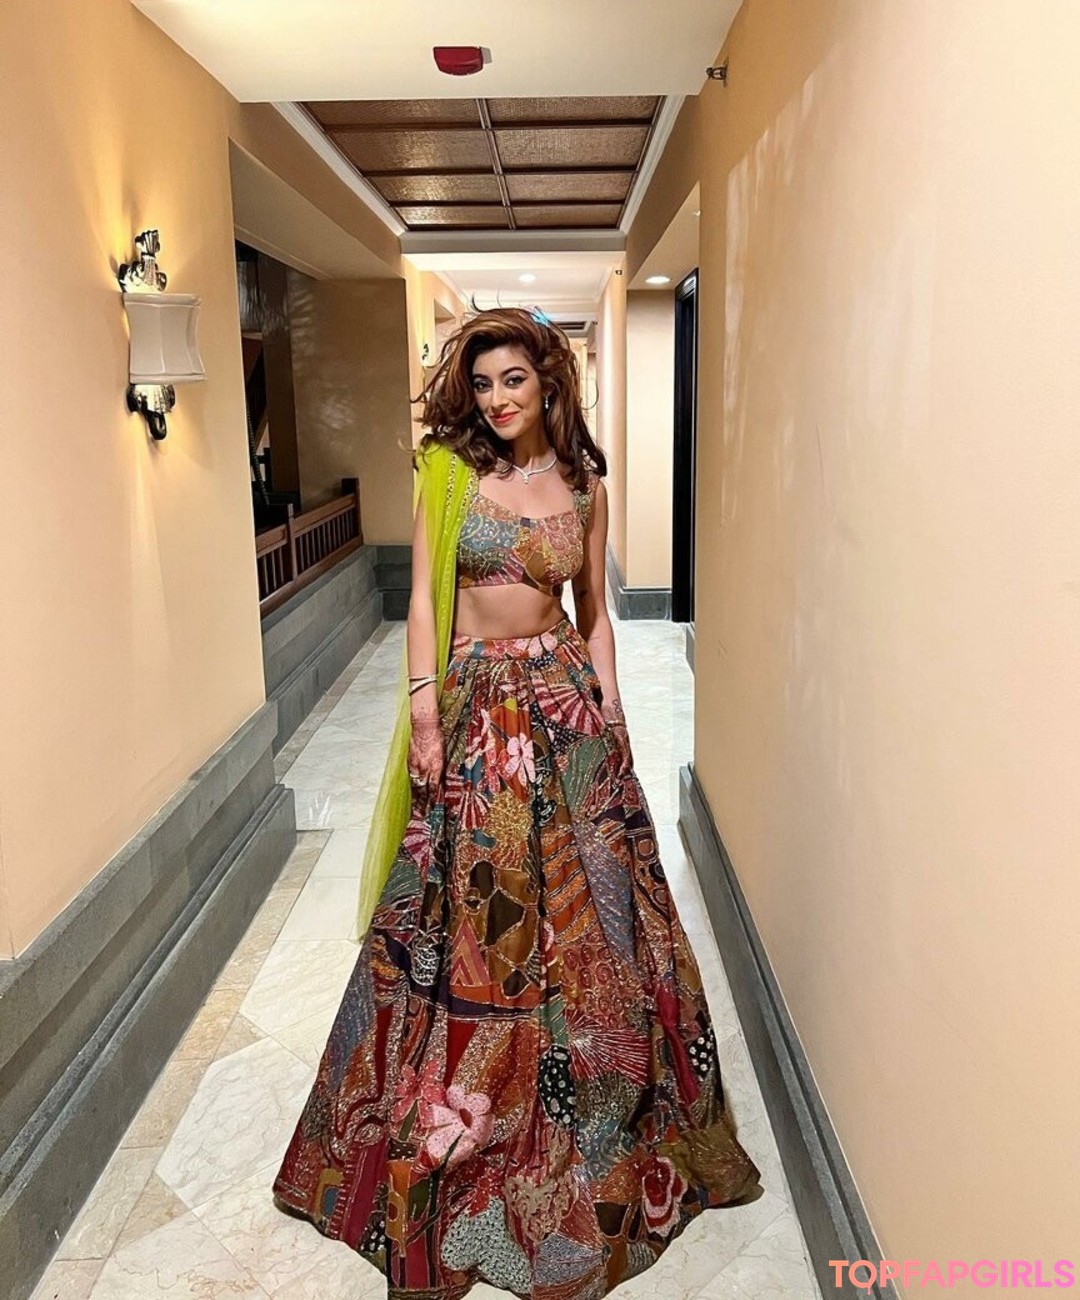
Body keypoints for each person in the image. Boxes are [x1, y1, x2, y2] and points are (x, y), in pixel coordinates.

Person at [270, 307, 762, 1298]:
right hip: (478, 707)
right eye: (485, 382)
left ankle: (592, 1107)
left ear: (548, 385)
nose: (497, 399)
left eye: (515, 381)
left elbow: (594, 615)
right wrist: (426, 710)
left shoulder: (584, 485)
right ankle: (465, 1106)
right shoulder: (449, 474)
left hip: (566, 706)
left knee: (601, 913)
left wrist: (612, 710)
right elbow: (423, 600)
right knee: (473, 918)